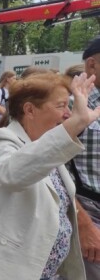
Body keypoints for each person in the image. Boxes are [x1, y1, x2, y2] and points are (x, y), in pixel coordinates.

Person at [0, 72, 97, 279]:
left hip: (47, 271)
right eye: (61, 106)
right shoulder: (2, 139)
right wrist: (75, 124)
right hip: (15, 270)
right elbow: (11, 174)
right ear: (29, 109)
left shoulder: (43, 142)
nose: (67, 113)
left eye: (69, 105)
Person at [71, 38, 100, 279]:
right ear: (92, 65)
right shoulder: (71, 105)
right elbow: (50, 170)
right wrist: (83, 222)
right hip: (89, 208)